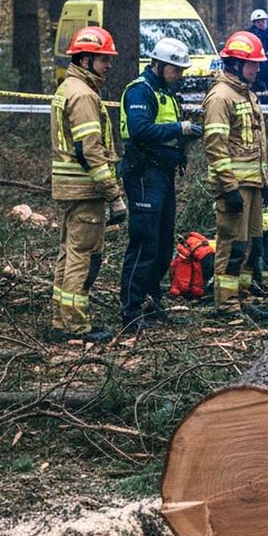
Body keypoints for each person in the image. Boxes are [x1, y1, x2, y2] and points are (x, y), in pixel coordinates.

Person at [118, 37, 203, 332]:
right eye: (174, 69)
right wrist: (179, 128)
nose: (178, 75)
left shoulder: (165, 91)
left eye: (180, 70)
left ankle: (151, 304)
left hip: (163, 175)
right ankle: (131, 312)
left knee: (164, 242)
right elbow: (140, 129)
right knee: (145, 242)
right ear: (159, 64)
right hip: (144, 174)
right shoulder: (141, 90)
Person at [49, 25, 126, 343]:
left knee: (69, 253)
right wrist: (114, 196)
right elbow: (90, 150)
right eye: (102, 58)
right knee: (83, 255)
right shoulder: (82, 95)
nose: (108, 64)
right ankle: (76, 325)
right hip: (85, 188)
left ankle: (60, 320)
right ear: (84, 60)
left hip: (71, 187)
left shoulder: (69, 88)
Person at [204, 29, 268, 324]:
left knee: (251, 245)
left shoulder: (248, 95)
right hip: (234, 187)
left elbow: (257, 144)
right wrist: (229, 188)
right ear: (234, 63)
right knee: (232, 245)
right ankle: (226, 306)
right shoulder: (221, 97)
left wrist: (265, 181)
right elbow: (215, 148)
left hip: (254, 185)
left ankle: (243, 299)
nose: (257, 69)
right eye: (252, 64)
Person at [248, 9, 268, 102]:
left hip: (266, 70)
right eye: (258, 22)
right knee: (254, 93)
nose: (261, 24)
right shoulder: (250, 35)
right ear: (254, 23)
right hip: (254, 70)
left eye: (263, 21)